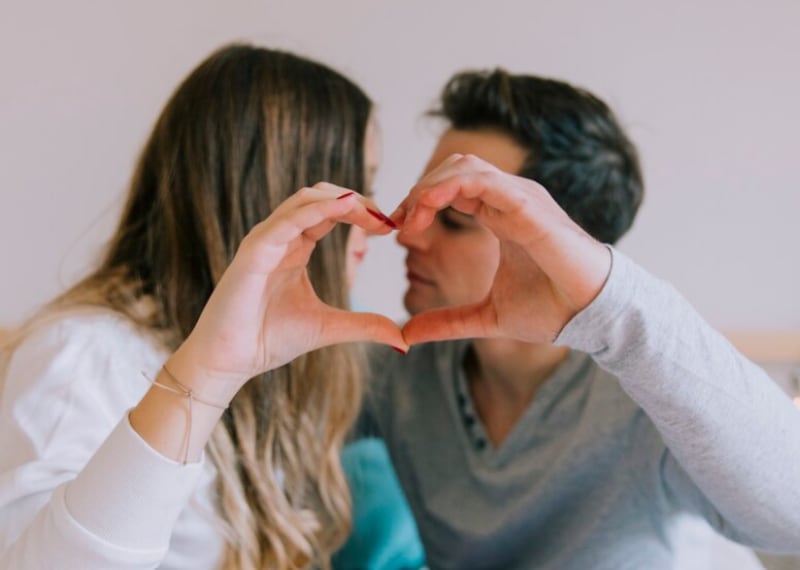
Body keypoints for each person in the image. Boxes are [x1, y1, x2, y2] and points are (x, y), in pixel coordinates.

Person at [355, 70, 800, 569]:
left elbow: (794, 518)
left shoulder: (649, 393)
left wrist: (613, 304)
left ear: (555, 245)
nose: (408, 238)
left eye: (455, 219)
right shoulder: (400, 371)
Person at [0, 43, 406, 570]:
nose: (369, 237)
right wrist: (207, 375)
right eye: (359, 195)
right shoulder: (83, 356)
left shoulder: (289, 365)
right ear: (277, 197)